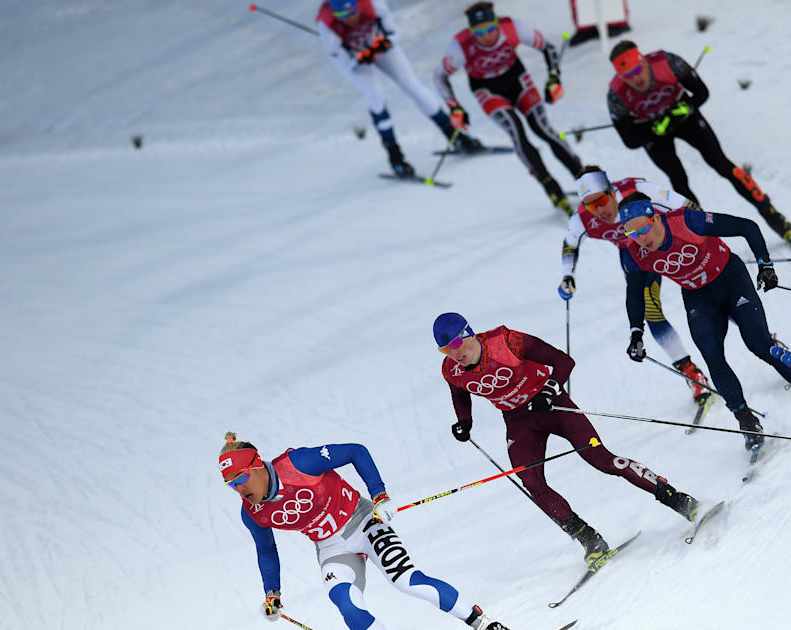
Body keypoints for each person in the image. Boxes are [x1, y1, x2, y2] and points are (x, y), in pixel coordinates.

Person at [434, 312, 698, 566]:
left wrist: (547, 392)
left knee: (602, 460)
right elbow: (460, 394)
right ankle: (590, 540)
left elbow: (563, 361)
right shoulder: (451, 370)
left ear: (468, 333)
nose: (454, 353)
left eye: (456, 343)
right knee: (532, 482)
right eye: (446, 350)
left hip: (552, 407)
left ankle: (676, 498)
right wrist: (464, 422)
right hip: (518, 422)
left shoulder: (506, 341)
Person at [616, 193, 791, 451]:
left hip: (730, 280)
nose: (640, 238)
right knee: (712, 356)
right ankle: (746, 422)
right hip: (698, 298)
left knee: (760, 344)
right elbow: (634, 292)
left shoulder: (687, 222)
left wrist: (765, 265)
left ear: (655, 217)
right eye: (632, 233)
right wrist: (636, 332)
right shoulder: (634, 253)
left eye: (644, 228)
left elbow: (746, 226)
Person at [220, 432, 510, 630]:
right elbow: (266, 550)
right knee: (346, 604)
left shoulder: (298, 464)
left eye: (241, 478)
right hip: (331, 546)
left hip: (363, 521)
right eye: (230, 484)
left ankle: (482, 622)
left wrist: (380, 495)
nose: (239, 489)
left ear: (258, 466)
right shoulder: (252, 513)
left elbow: (355, 451)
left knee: (406, 581)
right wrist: (272, 592)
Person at [605, 40, 791, 256]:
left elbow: (702, 92)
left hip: (684, 118)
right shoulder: (616, 94)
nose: (636, 79)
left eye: (637, 70)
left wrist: (687, 107)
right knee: (678, 180)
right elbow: (630, 140)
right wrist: (654, 130)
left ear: (644, 61)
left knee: (721, 163)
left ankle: (771, 213)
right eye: (627, 76)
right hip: (654, 132)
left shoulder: (667, 62)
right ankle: (704, 237)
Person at [559, 165, 712, 405]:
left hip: (667, 242)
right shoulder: (582, 218)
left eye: (601, 200)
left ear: (611, 192)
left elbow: (687, 206)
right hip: (634, 256)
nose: (599, 210)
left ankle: (765, 339)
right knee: (650, 311)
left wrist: (706, 237)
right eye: (591, 205)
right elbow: (570, 244)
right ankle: (691, 372)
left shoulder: (636, 190)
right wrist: (567, 275)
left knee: (710, 288)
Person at [434, 2, 582, 215]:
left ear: (497, 24)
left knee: (542, 128)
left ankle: (582, 174)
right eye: (479, 32)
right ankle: (549, 185)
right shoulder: (461, 45)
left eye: (490, 29)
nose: (486, 36)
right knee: (517, 132)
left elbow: (548, 47)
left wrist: (554, 78)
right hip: (487, 90)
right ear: (471, 32)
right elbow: (439, 76)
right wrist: (454, 107)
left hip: (517, 80)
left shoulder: (513, 27)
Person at [316, 0, 483, 177]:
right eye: (343, 16)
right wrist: (359, 59)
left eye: (353, 12)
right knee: (376, 95)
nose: (351, 19)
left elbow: (394, 33)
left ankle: (456, 137)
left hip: (379, 44)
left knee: (412, 86)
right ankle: (395, 158)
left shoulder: (373, 4)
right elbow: (347, 64)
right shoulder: (327, 26)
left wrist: (382, 45)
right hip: (354, 58)